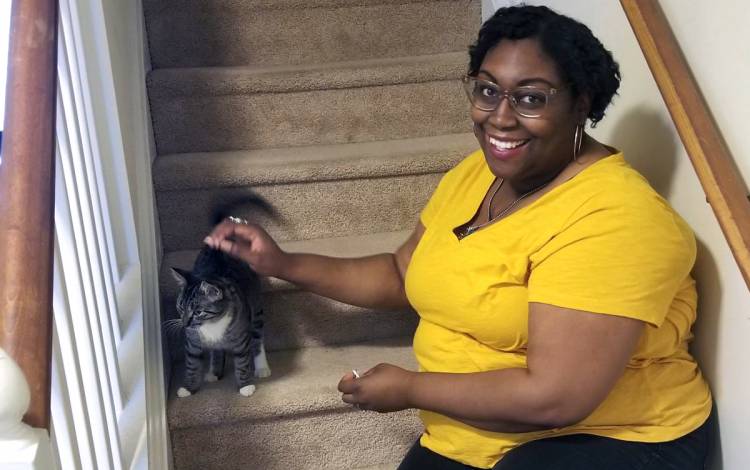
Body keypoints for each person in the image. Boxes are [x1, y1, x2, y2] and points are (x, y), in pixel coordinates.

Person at [204, 5, 713, 469]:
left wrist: (411, 388)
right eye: (487, 89)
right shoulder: (478, 174)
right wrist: (282, 263)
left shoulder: (615, 218)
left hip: (617, 438)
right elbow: (403, 272)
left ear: (581, 104)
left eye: (531, 98)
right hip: (477, 435)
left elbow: (556, 398)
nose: (501, 116)